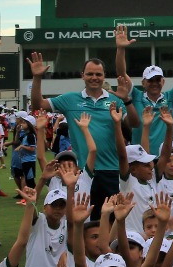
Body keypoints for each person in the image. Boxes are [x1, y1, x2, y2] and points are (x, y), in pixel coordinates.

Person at [28, 47, 138, 215]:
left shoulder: (115, 100)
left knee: (114, 220)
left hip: (112, 170)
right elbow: (37, 104)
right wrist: (37, 77)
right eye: (90, 74)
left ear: (104, 77)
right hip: (84, 173)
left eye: (98, 74)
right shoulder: (70, 99)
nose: (94, 78)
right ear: (82, 75)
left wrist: (127, 100)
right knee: (86, 220)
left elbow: (134, 123)